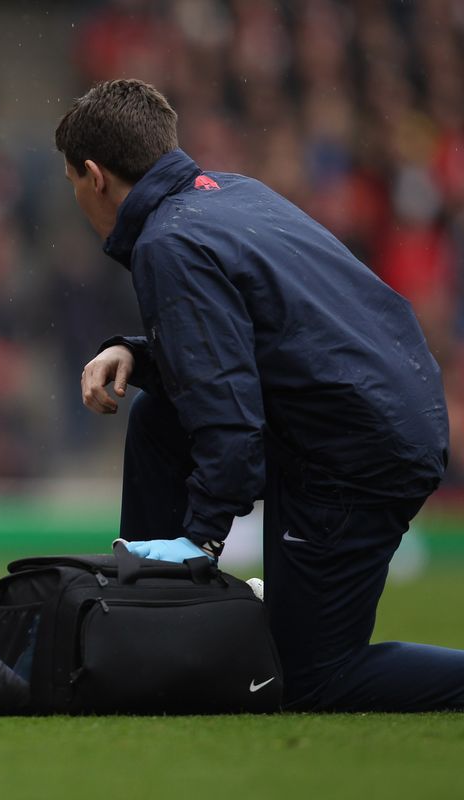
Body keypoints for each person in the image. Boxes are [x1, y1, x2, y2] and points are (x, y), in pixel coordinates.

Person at [56, 78, 464, 711]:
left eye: (72, 183)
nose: (77, 196)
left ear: (93, 174)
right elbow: (260, 339)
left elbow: (228, 411)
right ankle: (144, 618)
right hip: (377, 414)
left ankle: (159, 601)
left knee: (310, 679)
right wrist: (139, 350)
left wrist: (203, 539)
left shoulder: (169, 242)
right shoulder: (231, 195)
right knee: (158, 415)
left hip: (358, 453)